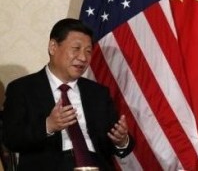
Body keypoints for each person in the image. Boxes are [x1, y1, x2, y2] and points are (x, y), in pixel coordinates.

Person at [2, 18, 134, 170]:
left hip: (95, 165)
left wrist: (121, 141)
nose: (83, 58)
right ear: (53, 47)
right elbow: (11, 138)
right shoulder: (22, 88)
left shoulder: (98, 93)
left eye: (88, 51)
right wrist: (48, 125)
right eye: (76, 48)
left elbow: (116, 144)